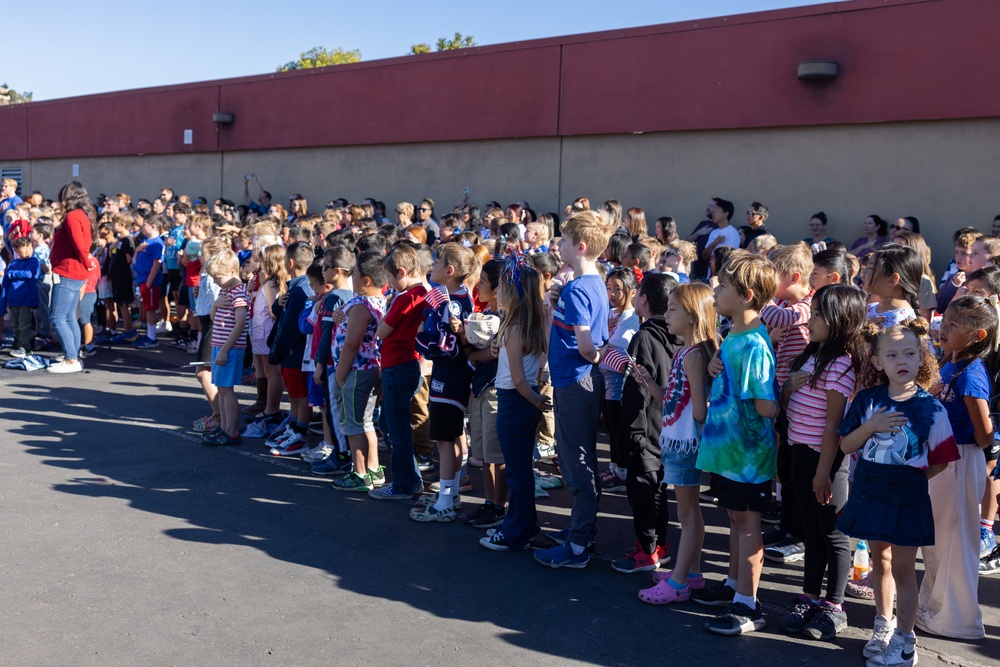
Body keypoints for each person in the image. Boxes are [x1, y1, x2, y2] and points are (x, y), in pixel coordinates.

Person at [837, 319, 959, 667]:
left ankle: (905, 643)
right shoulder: (867, 400)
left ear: (922, 358)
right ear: (877, 362)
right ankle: (883, 625)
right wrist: (871, 426)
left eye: (909, 353)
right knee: (881, 561)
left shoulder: (931, 408)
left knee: (904, 569)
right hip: (871, 487)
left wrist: (911, 476)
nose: (901, 360)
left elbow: (941, 460)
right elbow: (846, 445)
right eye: (892, 355)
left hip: (907, 494)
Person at [692, 254, 779, 635]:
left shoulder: (755, 344)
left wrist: (781, 395)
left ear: (745, 295)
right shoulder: (734, 334)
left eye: (723, 287)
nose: (716, 292)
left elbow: (765, 405)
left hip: (748, 456)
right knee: (735, 519)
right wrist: (716, 368)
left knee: (747, 526)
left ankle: (749, 604)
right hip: (731, 452)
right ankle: (733, 586)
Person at [776, 285, 866, 641]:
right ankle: (809, 596)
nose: (809, 321)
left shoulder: (841, 363)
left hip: (825, 462)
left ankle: (834, 605)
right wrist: (787, 389)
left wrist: (822, 474)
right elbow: (787, 405)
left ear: (840, 320)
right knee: (812, 529)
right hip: (800, 453)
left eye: (816, 315)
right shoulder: (810, 356)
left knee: (834, 533)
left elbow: (833, 426)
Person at [533, 210, 616, 568]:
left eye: (564, 241)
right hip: (580, 380)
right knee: (577, 459)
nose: (559, 245)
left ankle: (579, 543)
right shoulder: (593, 282)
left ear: (579, 247)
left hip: (575, 381)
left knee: (576, 461)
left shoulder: (579, 287)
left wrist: (597, 357)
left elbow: (586, 344)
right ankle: (581, 531)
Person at [916, 295, 995, 640]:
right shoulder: (950, 363)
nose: (943, 328)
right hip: (943, 457)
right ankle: (935, 609)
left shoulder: (970, 375)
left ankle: (959, 619)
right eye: (943, 321)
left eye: (953, 325)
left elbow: (983, 433)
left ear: (977, 335)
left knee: (955, 539)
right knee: (937, 539)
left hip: (960, 459)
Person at [636, 281, 714, 599]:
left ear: (693, 315)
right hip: (678, 440)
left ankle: (679, 582)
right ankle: (691, 573)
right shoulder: (684, 352)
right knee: (689, 511)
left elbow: (697, 411)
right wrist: (650, 383)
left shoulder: (693, 356)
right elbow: (672, 400)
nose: (666, 315)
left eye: (672, 309)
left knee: (687, 513)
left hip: (685, 444)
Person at [605, 273, 682, 573]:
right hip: (667, 424)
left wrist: (631, 430)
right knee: (659, 489)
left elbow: (637, 390)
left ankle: (647, 551)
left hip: (644, 426)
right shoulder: (677, 333)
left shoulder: (645, 337)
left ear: (644, 299)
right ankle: (659, 545)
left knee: (642, 490)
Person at [480, 260, 552, 551]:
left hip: (515, 401)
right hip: (524, 401)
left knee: (517, 473)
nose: (497, 291)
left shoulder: (514, 328)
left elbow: (519, 381)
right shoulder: (528, 324)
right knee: (522, 471)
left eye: (503, 287)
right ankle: (523, 524)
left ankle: (516, 532)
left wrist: (536, 401)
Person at [410, 244, 480, 521]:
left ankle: (446, 501)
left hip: (449, 375)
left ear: (449, 271)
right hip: (453, 374)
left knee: (443, 438)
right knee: (452, 434)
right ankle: (449, 494)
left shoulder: (451, 301)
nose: (433, 265)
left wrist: (419, 336)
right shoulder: (455, 295)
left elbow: (446, 347)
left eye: (437, 261)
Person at [760, 244, 814, 565]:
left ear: (794, 276)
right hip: (782, 393)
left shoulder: (807, 306)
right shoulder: (781, 302)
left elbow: (779, 317)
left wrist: (761, 295)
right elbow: (770, 325)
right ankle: (785, 525)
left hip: (801, 401)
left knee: (796, 470)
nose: (767, 282)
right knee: (784, 466)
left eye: (771, 277)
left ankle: (799, 534)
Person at [368, 244, 430, 498]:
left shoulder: (406, 297)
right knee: (390, 423)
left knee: (397, 428)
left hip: (399, 364)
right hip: (409, 364)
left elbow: (381, 330)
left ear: (402, 272)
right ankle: (410, 478)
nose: (390, 284)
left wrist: (386, 314)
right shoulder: (425, 292)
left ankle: (405, 483)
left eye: (391, 279)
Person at [329, 251, 388, 491]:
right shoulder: (373, 300)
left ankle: (360, 473)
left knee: (353, 424)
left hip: (356, 370)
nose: (351, 278)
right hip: (369, 368)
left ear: (366, 280)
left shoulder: (363, 305)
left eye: (354, 275)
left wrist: (341, 375)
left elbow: (352, 344)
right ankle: (373, 469)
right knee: (365, 422)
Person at [464, 259, 507, 528]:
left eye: (483, 281)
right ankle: (489, 503)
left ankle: (498, 506)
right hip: (480, 387)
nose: (478, 285)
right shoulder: (487, 313)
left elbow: (491, 354)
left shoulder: (507, 317)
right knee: (482, 453)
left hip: (495, 389)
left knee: (497, 455)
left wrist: (472, 352)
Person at [265, 242, 316, 455]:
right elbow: (282, 314)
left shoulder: (301, 290)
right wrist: (278, 303)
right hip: (292, 352)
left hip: (296, 352)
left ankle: (300, 434)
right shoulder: (297, 287)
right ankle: (293, 427)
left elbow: (290, 328)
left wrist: (276, 351)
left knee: (300, 394)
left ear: (290, 262)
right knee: (294, 394)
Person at [201, 249, 250, 447]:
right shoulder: (225, 291)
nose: (215, 281)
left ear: (231, 271)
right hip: (219, 345)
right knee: (221, 388)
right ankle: (223, 427)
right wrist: (215, 305)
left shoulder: (239, 292)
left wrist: (224, 350)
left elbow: (240, 323)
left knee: (227, 390)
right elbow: (213, 317)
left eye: (218, 277)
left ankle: (232, 430)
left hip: (229, 348)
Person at [47, 181, 97, 374]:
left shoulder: (73, 216)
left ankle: (71, 359)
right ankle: (74, 356)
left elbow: (79, 245)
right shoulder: (83, 215)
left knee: (58, 317)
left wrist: (86, 261)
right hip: (74, 271)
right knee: (68, 318)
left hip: (68, 270)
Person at [598, 267, 641, 491]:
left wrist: (603, 345)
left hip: (619, 385)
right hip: (606, 382)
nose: (612, 293)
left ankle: (622, 473)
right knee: (611, 427)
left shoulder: (631, 318)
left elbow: (620, 349)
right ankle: (614, 468)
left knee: (618, 428)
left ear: (632, 292)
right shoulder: (611, 313)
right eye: (609, 288)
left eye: (618, 288)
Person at [0, 237, 41, 357]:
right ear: (16, 250)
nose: (28, 250)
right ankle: (18, 344)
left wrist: (13, 274)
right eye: (24, 247)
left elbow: (30, 274)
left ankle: (25, 348)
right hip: (14, 300)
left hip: (27, 299)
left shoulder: (33, 261)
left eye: (29, 247)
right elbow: (5, 285)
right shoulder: (12, 264)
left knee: (24, 324)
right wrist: (3, 304)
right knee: (16, 325)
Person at [132, 214, 166, 349]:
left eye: (144, 225)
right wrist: (137, 250)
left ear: (153, 226)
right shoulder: (146, 240)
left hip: (149, 281)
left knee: (150, 308)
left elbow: (157, 264)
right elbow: (136, 260)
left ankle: (152, 337)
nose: (142, 227)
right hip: (142, 279)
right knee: (147, 307)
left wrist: (148, 283)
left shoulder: (156, 243)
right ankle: (149, 334)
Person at [867, 245, 921, 328]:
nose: (863, 272)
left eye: (870, 268)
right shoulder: (870, 308)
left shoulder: (901, 321)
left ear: (892, 280)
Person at [701, 198, 740, 270]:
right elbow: (705, 256)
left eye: (717, 211)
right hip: (710, 276)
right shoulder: (714, 232)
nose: (713, 213)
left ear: (726, 213)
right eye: (714, 211)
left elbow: (732, 258)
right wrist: (714, 244)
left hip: (722, 276)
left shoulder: (733, 233)